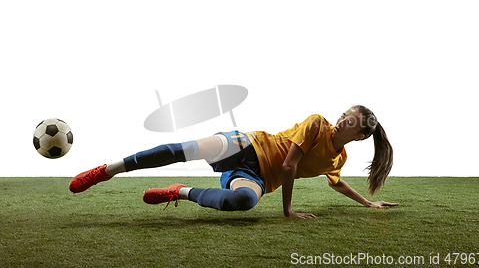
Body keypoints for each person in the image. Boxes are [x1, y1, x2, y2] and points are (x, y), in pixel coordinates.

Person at [69, 105, 398, 218]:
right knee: (181, 150)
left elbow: (336, 180)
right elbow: (289, 166)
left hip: (257, 179)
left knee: (242, 202)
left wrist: (367, 203)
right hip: (248, 145)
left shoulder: (339, 157)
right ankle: (107, 170)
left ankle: (179, 191)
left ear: (359, 137)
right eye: (344, 115)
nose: (341, 122)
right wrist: (288, 211)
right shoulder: (316, 123)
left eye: (350, 123)